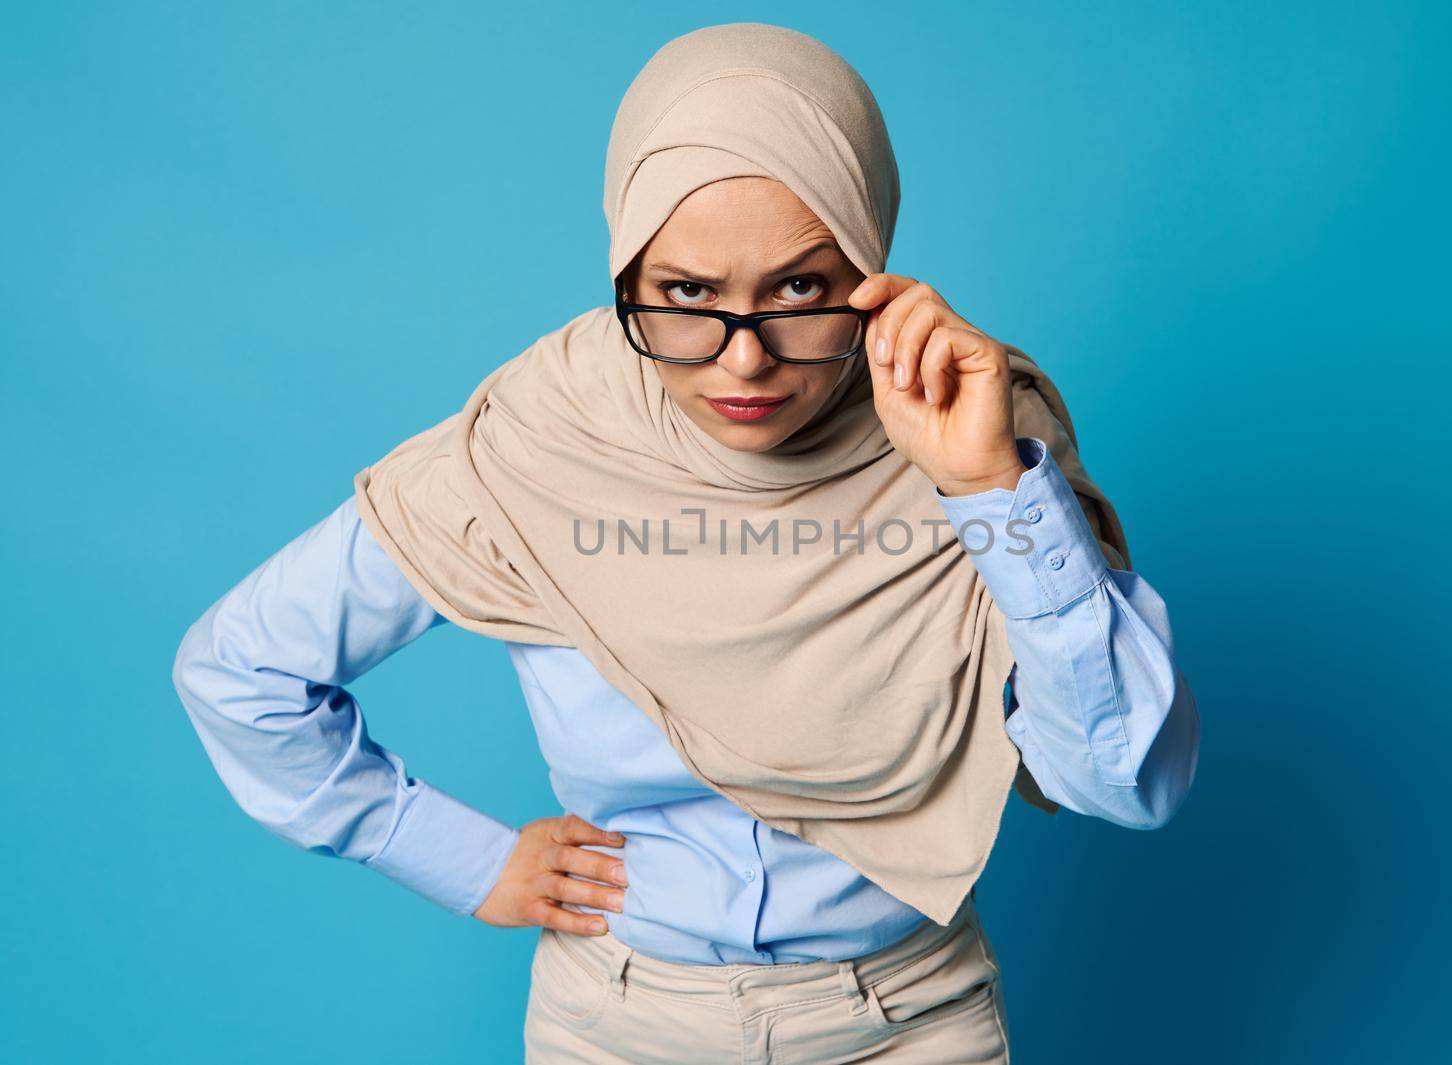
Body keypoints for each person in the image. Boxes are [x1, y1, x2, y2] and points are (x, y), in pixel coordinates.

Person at [171, 21, 1200, 1064]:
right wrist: (460, 859)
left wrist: (989, 489)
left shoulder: (965, 421)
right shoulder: (542, 442)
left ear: (871, 263)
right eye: (686, 296)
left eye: (799, 290)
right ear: (627, 271)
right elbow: (240, 668)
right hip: (614, 1027)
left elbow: (1127, 783)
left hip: (908, 1021)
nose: (742, 364)